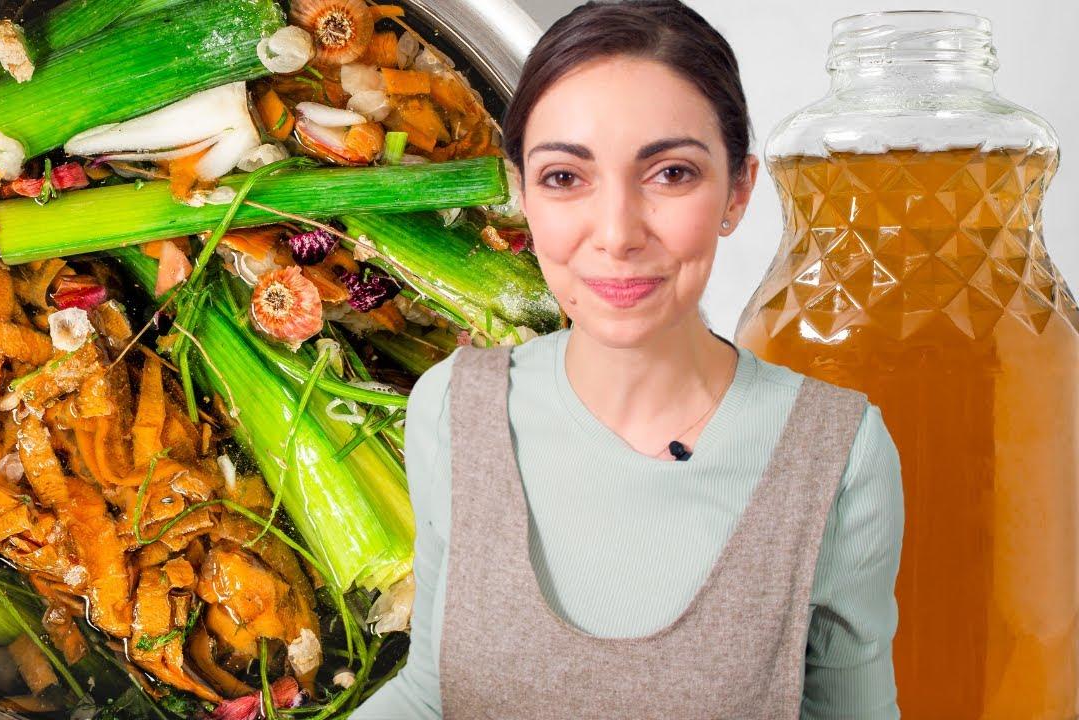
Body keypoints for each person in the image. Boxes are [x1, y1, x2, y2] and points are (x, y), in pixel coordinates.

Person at [349, 1, 903, 718]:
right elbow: (433, 694)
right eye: (563, 178)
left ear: (738, 191)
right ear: (518, 191)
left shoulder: (837, 453)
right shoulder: (452, 406)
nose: (616, 234)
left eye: (671, 173)